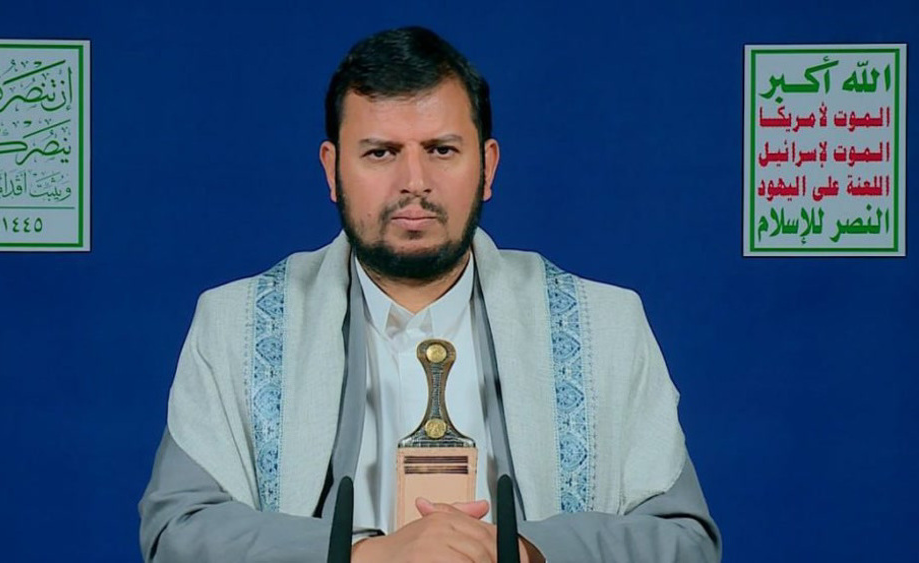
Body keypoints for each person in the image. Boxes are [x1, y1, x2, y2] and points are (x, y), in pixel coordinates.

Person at [139, 26, 721, 563]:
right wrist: (366, 557)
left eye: (441, 150)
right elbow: (179, 530)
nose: (413, 182)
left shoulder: (604, 325)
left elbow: (682, 540)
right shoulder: (238, 324)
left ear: (487, 167)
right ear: (331, 169)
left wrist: (523, 553)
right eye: (381, 152)